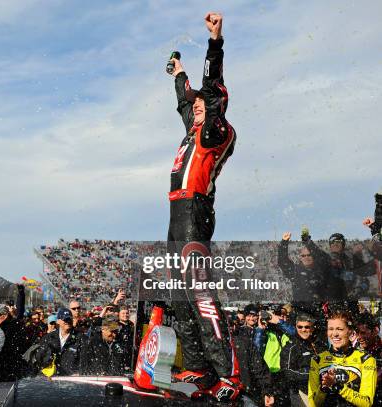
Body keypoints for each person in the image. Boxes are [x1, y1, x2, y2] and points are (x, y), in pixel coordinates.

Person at [162, 11, 241, 401]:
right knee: (178, 294)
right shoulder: (192, 129)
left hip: (195, 212)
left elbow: (211, 88)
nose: (194, 107)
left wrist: (215, 42)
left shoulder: (214, 132)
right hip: (176, 216)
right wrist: (179, 74)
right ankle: (198, 367)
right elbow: (186, 101)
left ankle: (228, 374)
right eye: (192, 106)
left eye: (200, 104)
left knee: (200, 293)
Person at [308, 311, 377, 407]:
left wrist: (338, 386)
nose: (334, 334)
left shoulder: (366, 360)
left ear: (350, 332)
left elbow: (366, 403)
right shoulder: (317, 359)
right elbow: (313, 404)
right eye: (330, 329)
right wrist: (324, 388)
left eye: (339, 329)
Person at [280, 314, 322, 406]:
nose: (303, 330)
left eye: (307, 327)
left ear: (312, 328)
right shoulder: (291, 347)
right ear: (296, 327)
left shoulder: (318, 344)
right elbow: (286, 372)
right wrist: (311, 373)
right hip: (300, 392)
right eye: (300, 327)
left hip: (319, 392)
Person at [35, 307, 82, 376]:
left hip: (71, 381)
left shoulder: (80, 338)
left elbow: (84, 362)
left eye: (69, 319)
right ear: (58, 321)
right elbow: (39, 359)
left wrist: (80, 374)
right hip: (50, 380)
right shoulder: (48, 338)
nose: (67, 322)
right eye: (65, 319)